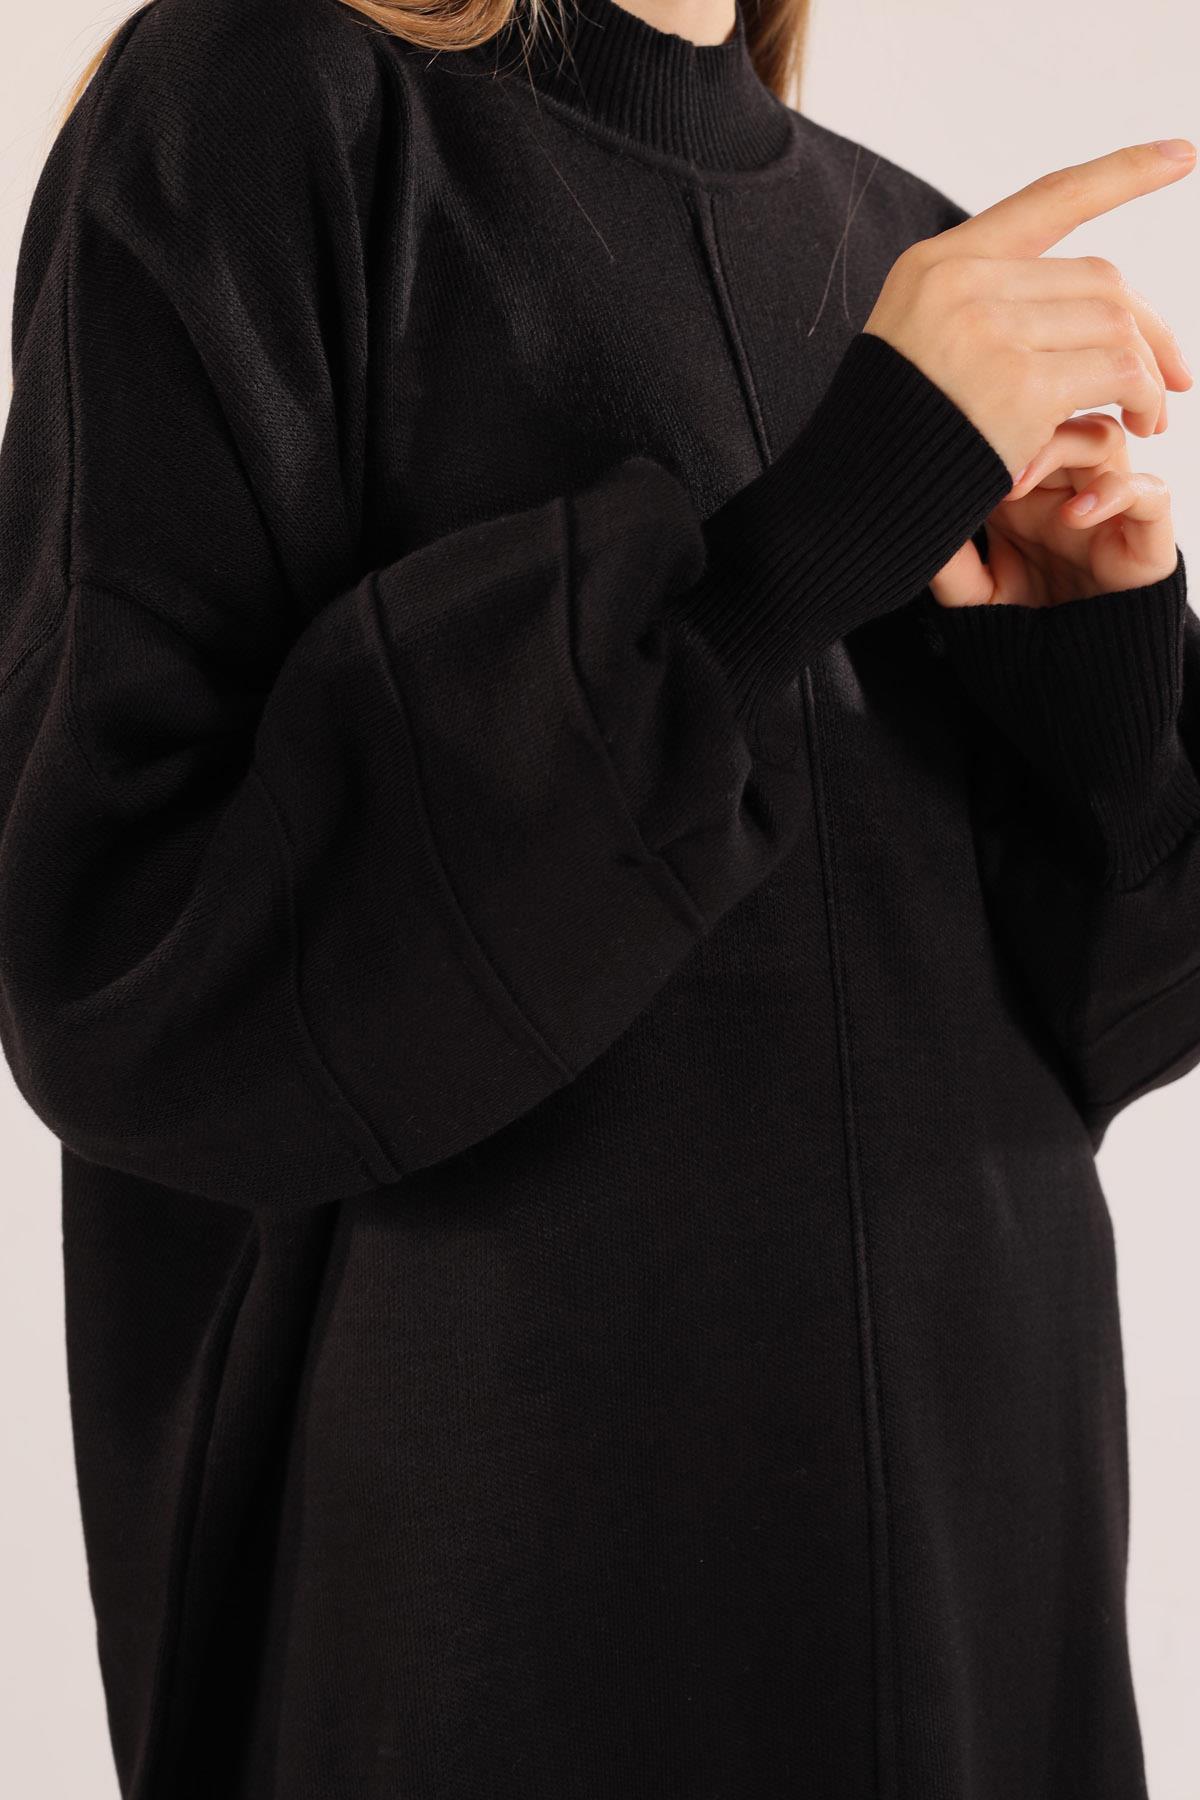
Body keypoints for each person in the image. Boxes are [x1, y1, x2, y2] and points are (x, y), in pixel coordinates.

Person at [0, 0, 1196, 1792]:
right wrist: (797, 551)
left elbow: (1091, 1036)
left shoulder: (907, 243)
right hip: (510, 1594)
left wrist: (1098, 686)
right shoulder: (260, 108)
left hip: (995, 1568)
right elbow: (125, 972)